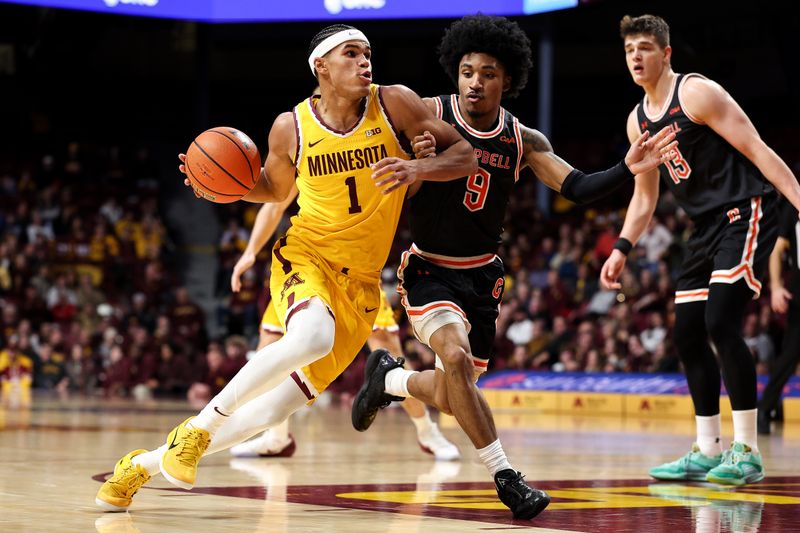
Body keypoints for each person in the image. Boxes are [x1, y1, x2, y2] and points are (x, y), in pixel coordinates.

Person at [95, 24, 477, 513]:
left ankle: (139, 467)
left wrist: (419, 168)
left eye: (367, 53)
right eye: (351, 54)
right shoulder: (290, 126)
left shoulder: (395, 102)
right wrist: (221, 185)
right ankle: (198, 429)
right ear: (321, 66)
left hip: (361, 282)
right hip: (308, 254)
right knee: (311, 338)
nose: (365, 62)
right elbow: (274, 191)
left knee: (274, 410)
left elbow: (464, 154)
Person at [348, 14, 677, 520]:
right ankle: (507, 478)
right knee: (455, 362)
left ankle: (389, 381)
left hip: (483, 277)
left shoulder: (523, 140)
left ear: (508, 80)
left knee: (458, 391)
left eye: (488, 73)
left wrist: (626, 168)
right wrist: (414, 165)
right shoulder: (430, 115)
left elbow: (578, 187)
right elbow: (393, 184)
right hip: (429, 269)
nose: (475, 81)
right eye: (466, 71)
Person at [600, 14, 800, 485]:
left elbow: (758, 150)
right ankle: (707, 449)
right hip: (703, 227)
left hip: (746, 210)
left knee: (719, 322)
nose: (636, 56)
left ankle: (747, 450)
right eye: (630, 49)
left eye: (646, 47)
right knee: (687, 332)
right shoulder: (636, 122)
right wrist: (622, 248)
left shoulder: (695, 93)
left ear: (666, 54)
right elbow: (645, 197)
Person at [226, 191, 459, 460]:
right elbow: (275, 202)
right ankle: (277, 437)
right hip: (308, 266)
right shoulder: (303, 150)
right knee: (270, 343)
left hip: (354, 270)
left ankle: (427, 432)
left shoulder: (372, 151)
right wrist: (251, 252)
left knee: (388, 350)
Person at [758, 197, 800, 434]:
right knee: (790, 354)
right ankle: (765, 409)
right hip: (799, 288)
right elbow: (776, 248)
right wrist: (775, 286)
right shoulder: (794, 201)